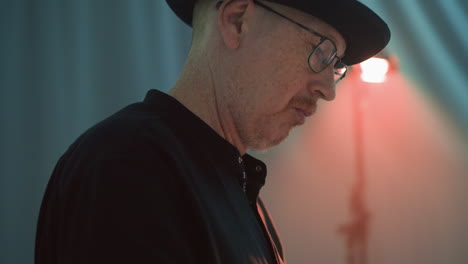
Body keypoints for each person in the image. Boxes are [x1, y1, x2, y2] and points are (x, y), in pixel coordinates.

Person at [35, 0, 390, 263]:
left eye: (337, 65)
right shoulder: (126, 164)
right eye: (321, 51)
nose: (329, 90)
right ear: (236, 21)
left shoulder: (235, 185)